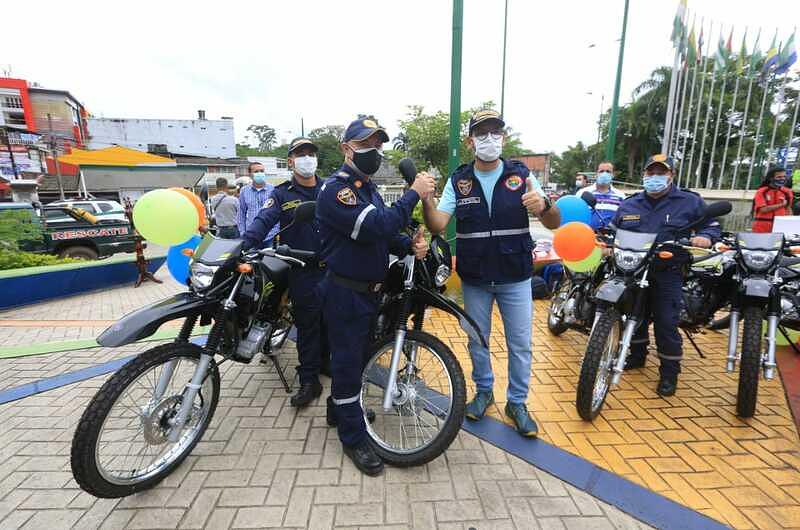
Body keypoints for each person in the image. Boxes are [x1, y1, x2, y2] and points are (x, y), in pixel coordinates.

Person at [421, 109, 561, 437]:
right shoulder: (459, 180)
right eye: (481, 134)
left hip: (516, 275)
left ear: (504, 137)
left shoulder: (522, 175)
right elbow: (438, 224)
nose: (489, 139)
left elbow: (554, 223)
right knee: (477, 339)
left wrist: (543, 206)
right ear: (471, 141)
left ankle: (517, 402)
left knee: (520, 344)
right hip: (476, 277)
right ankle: (483, 391)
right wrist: (427, 202)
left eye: (495, 132)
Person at [316, 116, 435, 475]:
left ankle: (339, 411)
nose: (375, 151)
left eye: (378, 144)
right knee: (349, 365)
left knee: (351, 359)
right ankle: (354, 440)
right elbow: (376, 225)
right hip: (344, 292)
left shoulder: (366, 188)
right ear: (346, 149)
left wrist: (408, 245)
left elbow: (380, 236)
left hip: (366, 293)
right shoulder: (338, 190)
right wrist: (414, 192)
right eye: (366, 144)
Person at [610, 154, 720, 396]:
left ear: (671, 176)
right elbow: (614, 228)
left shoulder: (689, 201)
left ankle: (669, 372)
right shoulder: (630, 204)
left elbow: (711, 225)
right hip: (634, 269)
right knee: (633, 314)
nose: (655, 177)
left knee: (666, 321)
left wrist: (706, 237)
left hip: (668, 270)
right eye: (651, 173)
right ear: (644, 175)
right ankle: (637, 356)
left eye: (661, 173)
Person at [242, 138, 329, 407]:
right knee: (307, 326)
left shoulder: (330, 188)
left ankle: (328, 364)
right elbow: (262, 221)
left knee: (335, 322)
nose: (307, 159)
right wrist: (244, 245)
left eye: (311, 154)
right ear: (290, 161)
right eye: (300, 154)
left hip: (334, 268)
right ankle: (309, 380)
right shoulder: (281, 194)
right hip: (302, 270)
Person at [237, 162, 279, 243]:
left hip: (269, 236)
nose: (260, 173)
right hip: (250, 237)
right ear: (250, 174)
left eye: (262, 171)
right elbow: (241, 213)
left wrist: (273, 233)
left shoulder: (273, 189)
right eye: (256, 172)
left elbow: (277, 213)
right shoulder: (244, 191)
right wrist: (243, 233)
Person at [578, 161, 625, 230]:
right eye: (601, 171)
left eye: (608, 171)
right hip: (586, 236)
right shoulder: (582, 193)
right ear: (596, 174)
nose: (604, 174)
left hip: (611, 238)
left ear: (613, 175)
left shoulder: (621, 196)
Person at [752, 167, 794, 233]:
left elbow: (788, 209)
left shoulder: (787, 192)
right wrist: (781, 205)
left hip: (781, 226)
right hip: (762, 226)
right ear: (771, 178)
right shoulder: (762, 191)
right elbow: (763, 209)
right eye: (779, 177)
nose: (782, 179)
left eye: (784, 177)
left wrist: (791, 223)